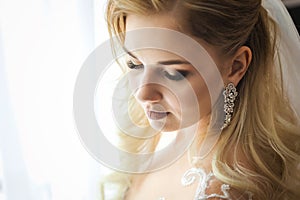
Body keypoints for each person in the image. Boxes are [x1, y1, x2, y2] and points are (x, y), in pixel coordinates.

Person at [100, 0, 300, 199]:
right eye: (135, 64)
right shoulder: (157, 135)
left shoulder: (223, 191)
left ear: (235, 67)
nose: (142, 94)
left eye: (173, 74)